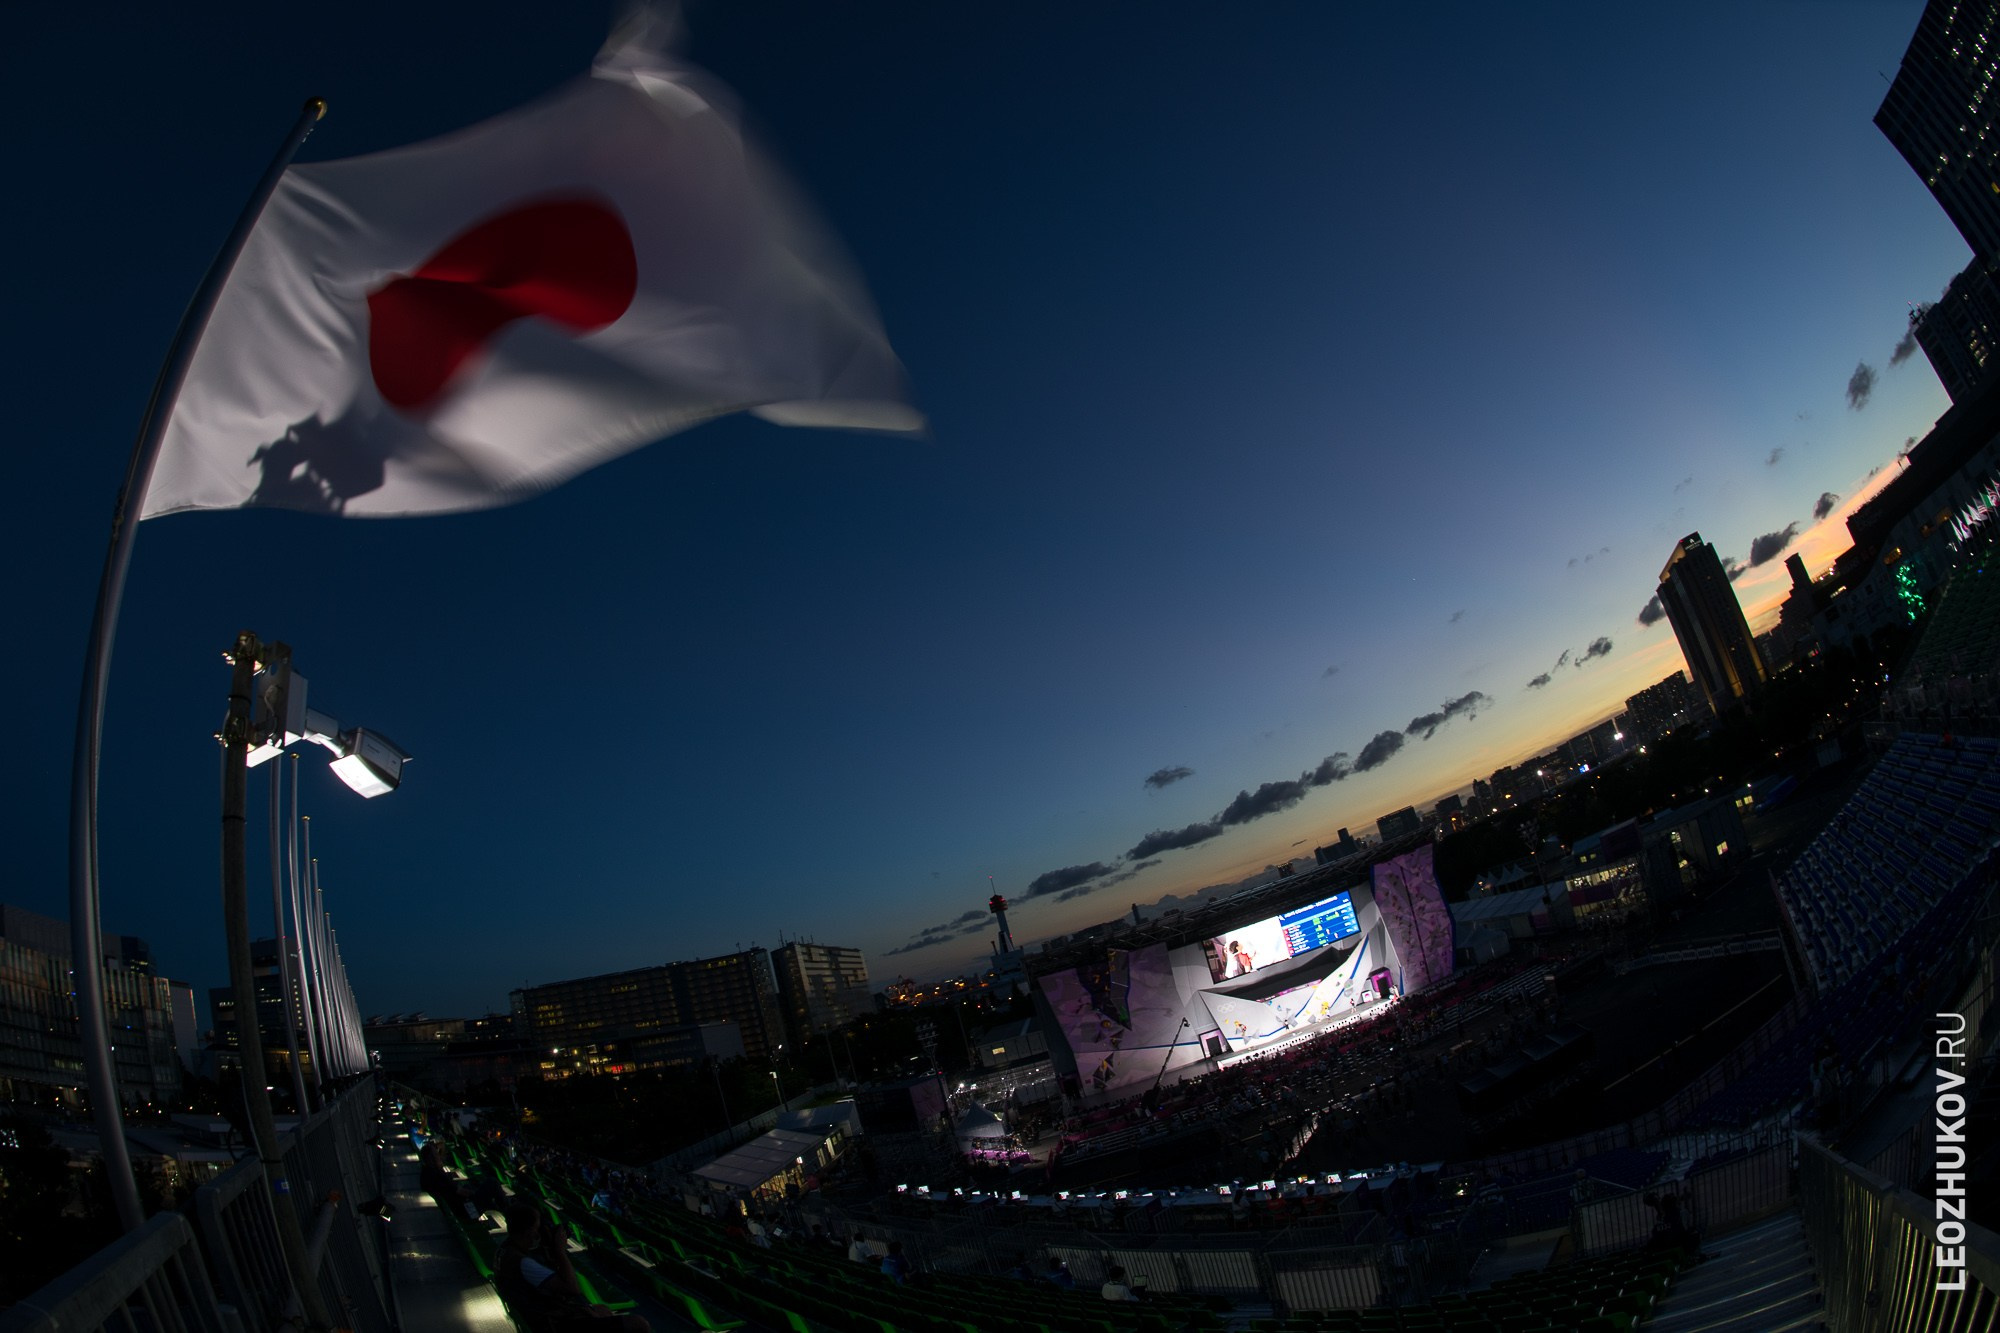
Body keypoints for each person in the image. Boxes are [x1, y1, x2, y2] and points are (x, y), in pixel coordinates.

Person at [494, 1202, 649, 1332]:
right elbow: (572, 1288)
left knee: (602, 1309)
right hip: (552, 1325)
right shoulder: (523, 1263)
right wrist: (560, 1251)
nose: (538, 1232)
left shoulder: (505, 1250)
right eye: (536, 1227)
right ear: (528, 1232)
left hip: (539, 1313)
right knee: (638, 1323)